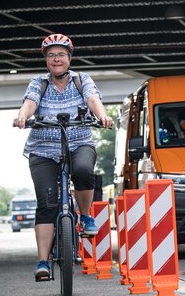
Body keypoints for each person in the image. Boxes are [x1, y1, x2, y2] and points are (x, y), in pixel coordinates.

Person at [13, 33, 114, 281]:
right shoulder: (39, 82)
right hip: (43, 148)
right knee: (47, 203)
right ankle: (42, 262)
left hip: (78, 142)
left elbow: (93, 99)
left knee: (82, 170)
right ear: (46, 60)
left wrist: (101, 115)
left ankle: (85, 214)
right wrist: (22, 116)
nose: (56, 59)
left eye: (61, 55)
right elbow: (30, 102)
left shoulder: (82, 80)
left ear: (69, 58)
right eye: (51, 56)